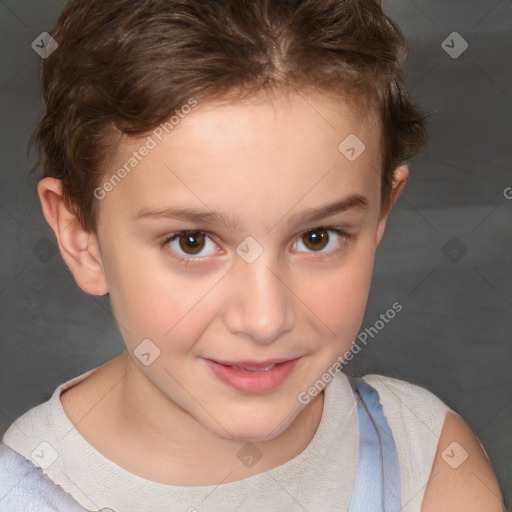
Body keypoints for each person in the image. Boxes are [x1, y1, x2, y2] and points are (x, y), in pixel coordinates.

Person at [0, 0, 505, 510]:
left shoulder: (427, 461)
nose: (264, 320)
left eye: (317, 237)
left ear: (379, 217)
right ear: (81, 237)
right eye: (192, 242)